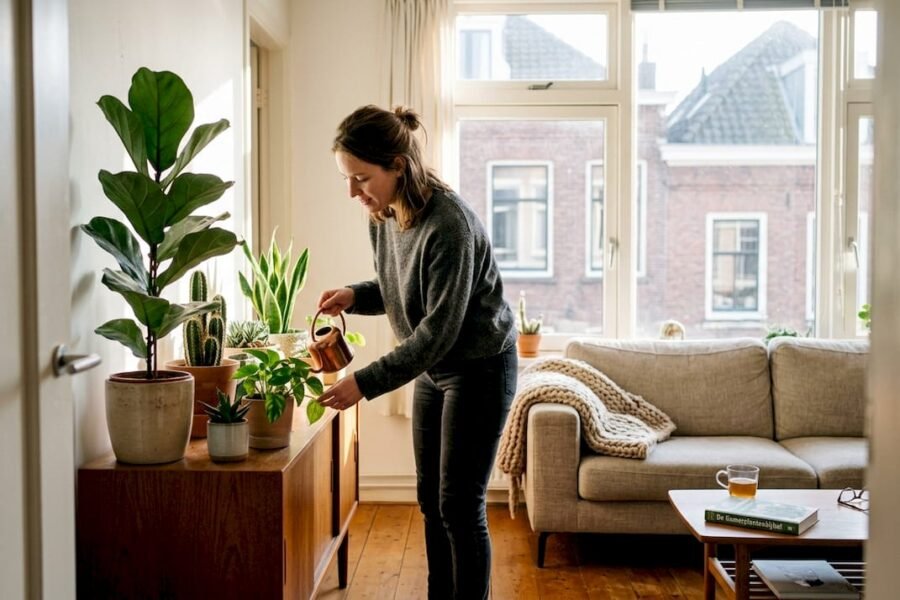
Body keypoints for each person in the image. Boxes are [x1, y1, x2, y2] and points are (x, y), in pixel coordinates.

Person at [316, 104, 518, 600]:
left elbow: (437, 332)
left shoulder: (450, 225)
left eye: (361, 177)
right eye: (347, 178)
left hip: (479, 366)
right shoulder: (381, 214)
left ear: (398, 166)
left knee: (459, 505)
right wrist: (355, 295)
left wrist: (362, 383)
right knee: (430, 498)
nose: (352, 192)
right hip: (434, 367)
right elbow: (402, 286)